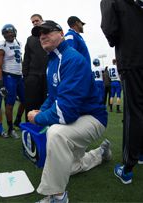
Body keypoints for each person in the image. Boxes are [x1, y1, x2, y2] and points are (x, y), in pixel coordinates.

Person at [28, 20, 111, 202]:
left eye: (47, 31)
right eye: (39, 34)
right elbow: (52, 97)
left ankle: (58, 196)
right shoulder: (53, 61)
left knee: (56, 133)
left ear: (61, 34)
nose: (42, 36)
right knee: (67, 166)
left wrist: (38, 118)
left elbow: (65, 113)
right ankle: (100, 154)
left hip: (92, 118)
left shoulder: (71, 59)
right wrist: (40, 111)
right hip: (78, 119)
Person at [101, 0, 143, 184]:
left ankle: (127, 167)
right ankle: (139, 152)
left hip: (132, 59)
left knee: (133, 113)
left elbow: (110, 29)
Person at [0, 24, 25, 138]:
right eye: (6, 33)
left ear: (15, 32)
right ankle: (10, 128)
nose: (9, 34)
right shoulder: (2, 46)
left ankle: (17, 120)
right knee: (9, 104)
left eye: (11, 32)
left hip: (19, 76)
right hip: (9, 77)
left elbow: (20, 61)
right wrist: (0, 84)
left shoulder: (19, 43)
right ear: (3, 35)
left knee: (25, 100)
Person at [22, 14, 48, 122]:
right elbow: (26, 58)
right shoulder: (30, 39)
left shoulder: (49, 36)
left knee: (46, 103)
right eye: (32, 22)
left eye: (37, 20)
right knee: (31, 104)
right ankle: (29, 131)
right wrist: (26, 76)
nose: (35, 23)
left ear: (42, 20)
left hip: (47, 75)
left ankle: (46, 128)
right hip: (32, 76)